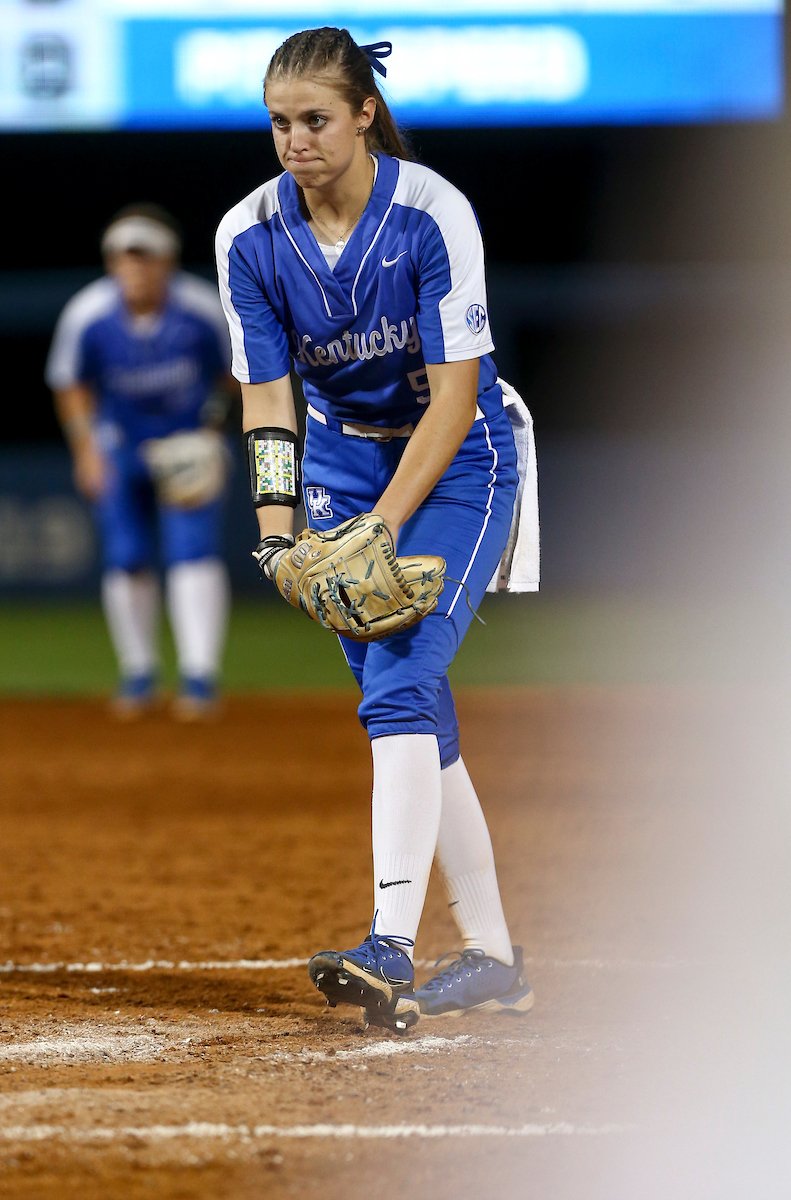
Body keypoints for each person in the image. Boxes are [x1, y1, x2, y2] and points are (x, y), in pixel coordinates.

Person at [216, 27, 536, 1028]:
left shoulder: (432, 213)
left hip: (459, 457)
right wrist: (276, 531)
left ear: (363, 113)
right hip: (342, 464)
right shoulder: (249, 237)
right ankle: (491, 956)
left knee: (398, 680)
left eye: (315, 119)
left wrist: (381, 531)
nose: (295, 141)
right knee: (412, 704)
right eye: (279, 122)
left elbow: (453, 397)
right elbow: (268, 399)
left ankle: (389, 946)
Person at [47, 203, 233, 719]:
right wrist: (86, 450)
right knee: (126, 556)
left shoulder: (200, 309)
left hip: (187, 446)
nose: (133, 267)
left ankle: (199, 676)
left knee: (192, 552)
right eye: (123, 257)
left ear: (167, 261)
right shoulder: (88, 313)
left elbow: (236, 373)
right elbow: (70, 383)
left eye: (144, 257)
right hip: (120, 446)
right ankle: (139, 672)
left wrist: (213, 431)